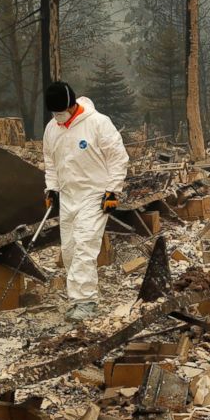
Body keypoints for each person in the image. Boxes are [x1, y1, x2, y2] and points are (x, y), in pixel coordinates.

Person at [43, 81, 129, 321]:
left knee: (84, 246)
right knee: (69, 250)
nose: (58, 117)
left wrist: (113, 191)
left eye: (61, 113)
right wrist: (51, 189)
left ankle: (86, 302)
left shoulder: (98, 123)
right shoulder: (52, 129)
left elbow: (118, 158)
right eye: (54, 113)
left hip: (94, 194)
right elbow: (50, 162)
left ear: (72, 106)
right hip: (69, 196)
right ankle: (77, 299)